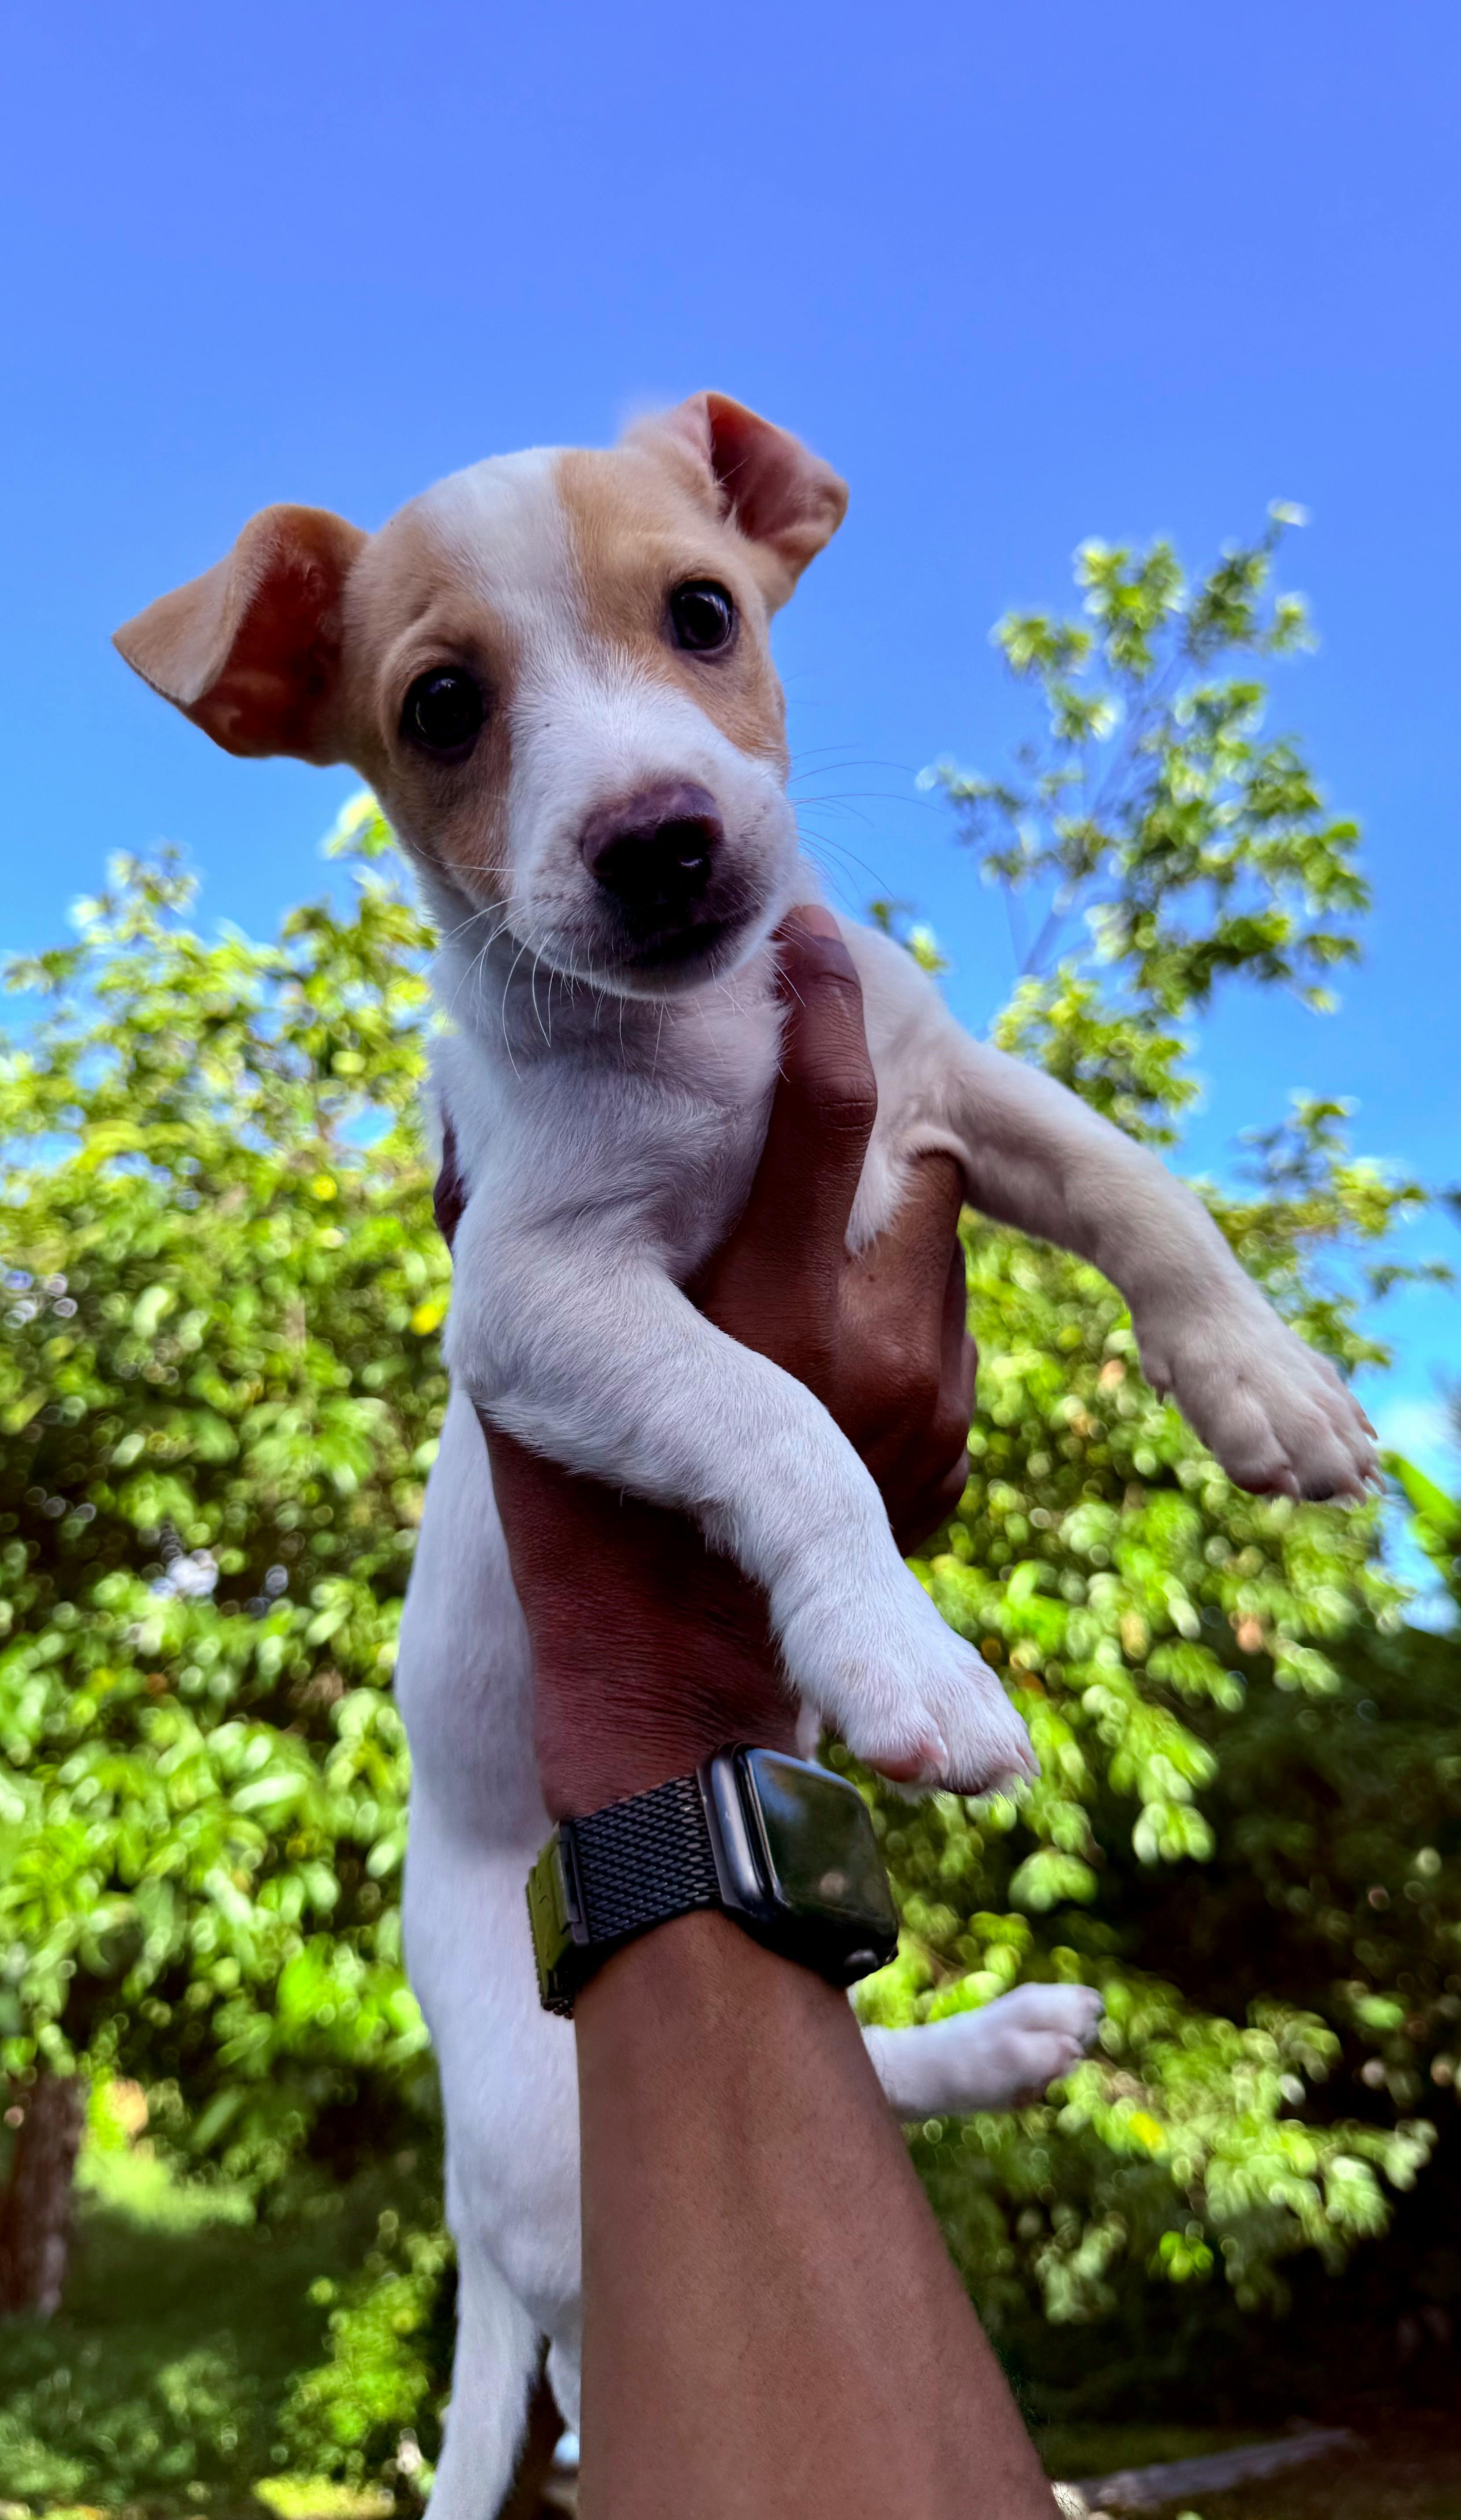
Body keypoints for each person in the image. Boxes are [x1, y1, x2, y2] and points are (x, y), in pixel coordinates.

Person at [452, 907, 1059, 2520]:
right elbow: (517, 1303)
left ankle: (881, 2065)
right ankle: (887, 2074)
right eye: (449, 708)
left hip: (663, 1778)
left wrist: (1196, 1301)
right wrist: (815, 1552)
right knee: (549, 2225)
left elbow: (980, 1109)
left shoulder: (821, 968)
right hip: (507, 1826)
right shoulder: (527, 1052)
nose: (633, 776)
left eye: (699, 626)